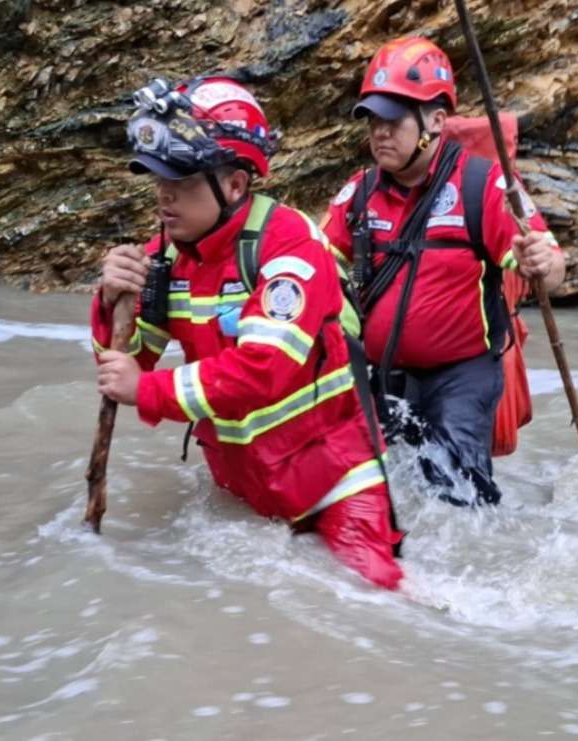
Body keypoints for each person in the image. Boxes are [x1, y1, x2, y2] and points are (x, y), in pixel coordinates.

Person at [91, 73, 402, 589]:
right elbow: (126, 364)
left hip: (336, 481)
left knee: (374, 602)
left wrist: (144, 390)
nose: (165, 197)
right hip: (245, 486)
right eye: (159, 181)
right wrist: (107, 304)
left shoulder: (289, 246)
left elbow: (262, 371)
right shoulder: (163, 258)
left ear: (235, 185)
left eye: (184, 182)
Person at [320, 37, 565, 506]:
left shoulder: (486, 185)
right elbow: (314, 265)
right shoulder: (358, 194)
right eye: (373, 120)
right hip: (384, 375)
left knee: (454, 496)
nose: (379, 133)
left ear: (434, 121)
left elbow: (549, 266)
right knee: (376, 495)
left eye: (393, 120)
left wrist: (542, 263)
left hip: (462, 376)